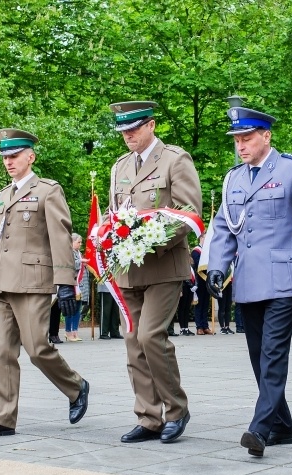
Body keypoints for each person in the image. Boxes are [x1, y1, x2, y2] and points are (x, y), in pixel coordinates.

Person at [206, 106, 292, 457]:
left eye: (247, 138)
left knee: (273, 355)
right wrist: (216, 265)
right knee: (256, 357)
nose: (240, 146)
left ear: (267, 135)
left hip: (283, 279)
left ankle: (260, 428)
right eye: (236, 140)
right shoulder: (234, 178)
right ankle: (282, 426)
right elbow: (223, 227)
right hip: (247, 280)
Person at [0, 128, 89, 438]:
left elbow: (61, 238)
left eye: (14, 156)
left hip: (34, 281)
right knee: (0, 352)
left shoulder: (48, 190)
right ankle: (2, 417)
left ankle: (76, 386)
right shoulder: (2, 196)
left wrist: (64, 282)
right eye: (5, 157)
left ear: (30, 156)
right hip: (2, 283)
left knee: (37, 348)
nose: (8, 161)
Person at [107, 101, 202, 444]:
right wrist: (105, 233)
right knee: (133, 342)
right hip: (127, 269)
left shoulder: (175, 159)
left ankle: (176, 410)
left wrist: (148, 240)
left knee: (150, 336)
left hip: (163, 265)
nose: (127, 135)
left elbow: (189, 212)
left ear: (152, 126)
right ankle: (148, 417)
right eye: (123, 131)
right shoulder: (119, 167)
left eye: (133, 128)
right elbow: (115, 213)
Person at [64, 233, 88, 342]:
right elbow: (69, 265)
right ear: (72, 242)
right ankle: (68, 332)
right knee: (70, 309)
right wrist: (81, 262)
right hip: (72, 285)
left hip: (80, 286)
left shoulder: (79, 253)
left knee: (77, 310)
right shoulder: (69, 253)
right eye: (78, 242)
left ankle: (75, 332)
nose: (80, 244)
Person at [192, 234, 214, 335]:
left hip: (207, 280)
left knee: (206, 304)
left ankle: (205, 326)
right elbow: (197, 264)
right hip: (199, 281)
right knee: (199, 304)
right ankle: (199, 327)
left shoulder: (208, 252)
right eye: (206, 237)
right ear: (201, 238)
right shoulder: (196, 251)